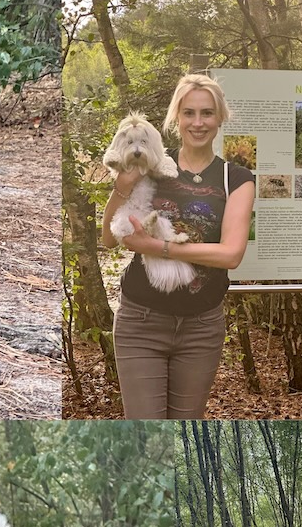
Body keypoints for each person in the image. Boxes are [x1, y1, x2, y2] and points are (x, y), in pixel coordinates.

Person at [102, 73, 254, 419]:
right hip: (141, 321)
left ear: (220, 118)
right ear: (176, 118)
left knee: (186, 430)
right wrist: (122, 187)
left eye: (207, 113)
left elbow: (231, 254)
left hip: (201, 327)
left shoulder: (237, 179)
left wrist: (161, 248)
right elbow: (109, 239)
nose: (198, 123)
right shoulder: (152, 162)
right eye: (188, 113)